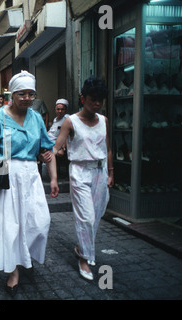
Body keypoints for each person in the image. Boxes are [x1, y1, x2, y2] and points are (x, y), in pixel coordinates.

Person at [0, 70, 59, 297]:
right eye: (22, 94)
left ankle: (24, 255)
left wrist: (52, 178)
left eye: (31, 94)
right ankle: (13, 271)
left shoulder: (35, 119)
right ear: (12, 95)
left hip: (31, 175)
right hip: (6, 174)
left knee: (40, 221)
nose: (27, 98)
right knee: (9, 225)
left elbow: (47, 149)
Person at [52, 76, 114, 281]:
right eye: (93, 99)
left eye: (100, 100)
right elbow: (57, 146)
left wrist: (111, 172)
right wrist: (53, 154)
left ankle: (81, 248)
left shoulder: (103, 120)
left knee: (95, 217)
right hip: (79, 172)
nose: (96, 103)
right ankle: (85, 259)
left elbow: (108, 148)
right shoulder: (71, 121)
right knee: (86, 217)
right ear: (83, 98)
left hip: (100, 171)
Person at [48, 99, 70, 176]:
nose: (60, 111)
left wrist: (62, 148)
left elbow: (67, 135)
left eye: (62, 109)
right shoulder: (56, 119)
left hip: (56, 144)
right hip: (49, 141)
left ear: (66, 110)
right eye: (58, 109)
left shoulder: (67, 119)